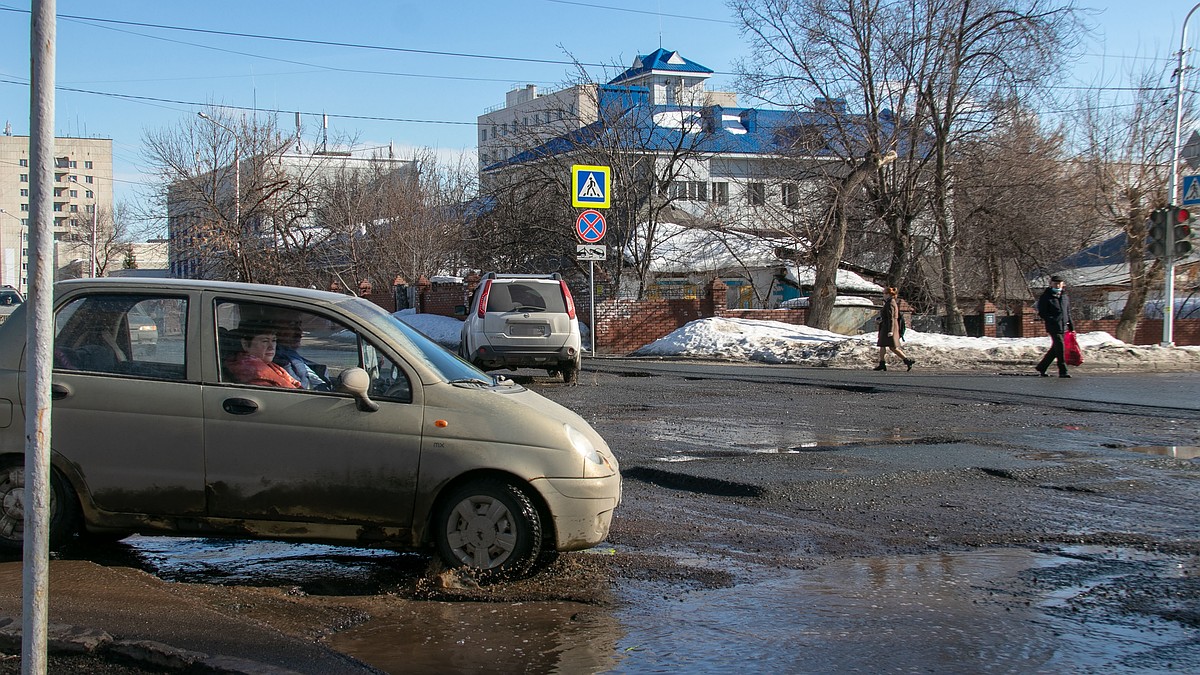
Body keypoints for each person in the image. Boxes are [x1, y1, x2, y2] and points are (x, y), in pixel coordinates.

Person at [226, 321, 302, 388]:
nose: (271, 347)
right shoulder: (252, 373)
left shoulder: (268, 365)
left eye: (274, 340)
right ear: (245, 344)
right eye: (265, 341)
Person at [271, 316, 330, 390]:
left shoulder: (291, 355)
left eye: (299, 324)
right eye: (292, 325)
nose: (299, 331)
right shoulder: (279, 360)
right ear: (276, 330)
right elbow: (301, 390)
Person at [1035, 274, 1074, 378]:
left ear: (1063, 285)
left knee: (1055, 349)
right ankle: (1063, 370)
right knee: (1060, 347)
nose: (1057, 285)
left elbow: (1067, 312)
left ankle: (1042, 367)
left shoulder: (1064, 297)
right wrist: (1052, 320)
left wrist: (1071, 326)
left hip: (1064, 326)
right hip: (1053, 326)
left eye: (1059, 284)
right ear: (1051, 284)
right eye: (1055, 283)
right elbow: (1042, 312)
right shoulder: (1046, 297)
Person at [874, 287, 915, 371]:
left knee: (888, 346)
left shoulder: (890, 303)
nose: (884, 295)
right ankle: (883, 363)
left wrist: (890, 330)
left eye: (885, 293)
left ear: (889, 294)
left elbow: (892, 318)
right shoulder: (889, 302)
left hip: (888, 328)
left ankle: (906, 360)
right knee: (887, 346)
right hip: (886, 326)